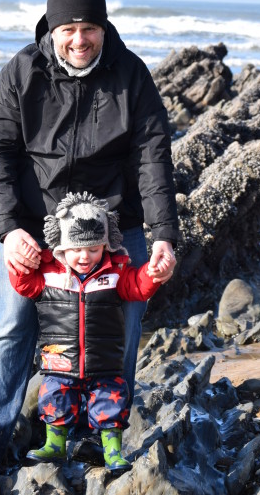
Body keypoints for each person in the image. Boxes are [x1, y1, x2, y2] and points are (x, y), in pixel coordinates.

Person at [0, 0, 179, 475]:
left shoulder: (132, 76)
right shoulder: (20, 74)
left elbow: (154, 159)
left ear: (104, 28)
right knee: (11, 327)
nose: (79, 39)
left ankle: (101, 437)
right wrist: (10, 229)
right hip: (35, 229)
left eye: (89, 27)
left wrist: (163, 235)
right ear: (51, 30)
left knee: (115, 333)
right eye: (69, 28)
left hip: (115, 231)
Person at [11, 191, 168, 473]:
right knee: (54, 398)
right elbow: (24, 285)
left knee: (110, 403)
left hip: (104, 360)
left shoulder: (115, 272)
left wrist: (152, 274)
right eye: (76, 250)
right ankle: (54, 446)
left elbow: (136, 286)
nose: (85, 256)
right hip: (59, 359)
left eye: (94, 249)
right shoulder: (48, 274)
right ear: (60, 247)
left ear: (106, 245)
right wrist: (21, 266)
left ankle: (113, 451)